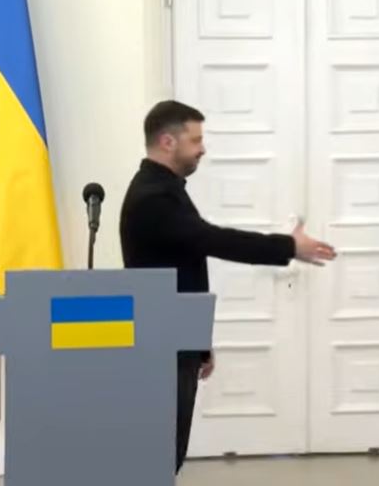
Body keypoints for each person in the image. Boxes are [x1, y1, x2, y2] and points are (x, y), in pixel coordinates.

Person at [119, 100, 337, 474]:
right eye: (195, 140)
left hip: (175, 338)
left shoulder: (165, 190)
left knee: (167, 454)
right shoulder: (153, 198)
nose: (202, 149)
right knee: (160, 457)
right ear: (168, 142)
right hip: (162, 344)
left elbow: (184, 265)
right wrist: (288, 246)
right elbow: (213, 240)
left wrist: (199, 342)